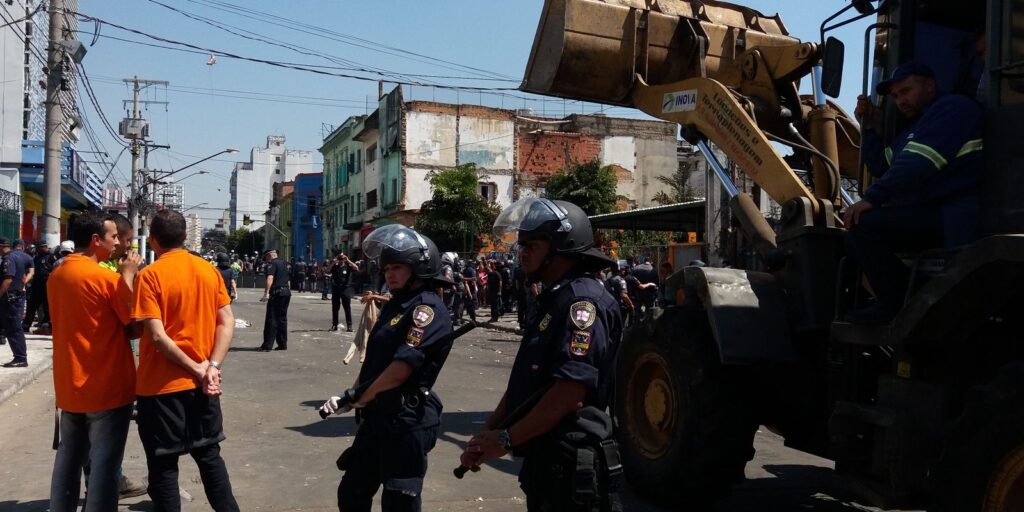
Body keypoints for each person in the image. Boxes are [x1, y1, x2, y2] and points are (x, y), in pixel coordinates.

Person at [462, 198, 622, 511]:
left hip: (571, 465)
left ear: (561, 248)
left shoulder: (582, 303)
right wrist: (485, 435)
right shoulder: (554, 299)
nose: (521, 254)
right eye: (521, 246)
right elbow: (526, 387)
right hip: (545, 462)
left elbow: (569, 394)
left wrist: (505, 440)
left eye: (531, 246)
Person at [319, 224, 454, 512]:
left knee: (398, 503)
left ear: (419, 267)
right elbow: (374, 363)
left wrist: (357, 397)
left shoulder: (425, 310)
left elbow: (400, 370)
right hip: (377, 417)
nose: (388, 274)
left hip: (406, 423)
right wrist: (352, 393)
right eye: (386, 268)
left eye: (397, 267)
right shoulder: (397, 305)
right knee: (352, 493)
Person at [845, 61, 984, 324]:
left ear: (929, 86)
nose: (900, 101)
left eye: (906, 91)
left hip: (952, 215)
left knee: (863, 226)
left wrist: (872, 198)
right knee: (851, 238)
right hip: (930, 214)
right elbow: (881, 164)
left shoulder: (953, 109)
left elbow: (918, 163)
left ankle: (900, 302)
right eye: (896, 96)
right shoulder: (913, 131)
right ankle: (911, 290)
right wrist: (869, 126)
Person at [132, 209, 240, 511]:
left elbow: (156, 336)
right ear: (183, 237)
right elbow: (226, 322)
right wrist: (211, 367)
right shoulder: (208, 271)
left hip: (161, 389)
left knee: (163, 465)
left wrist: (199, 368)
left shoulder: (149, 276)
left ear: (153, 241)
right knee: (209, 457)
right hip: (203, 386)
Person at [48, 212, 142, 511]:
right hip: (106, 386)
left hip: (69, 384)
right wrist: (128, 276)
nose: (117, 244)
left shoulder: (57, 274)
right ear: (95, 240)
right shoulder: (104, 278)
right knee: (104, 466)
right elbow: (134, 324)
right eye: (114, 237)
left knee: (68, 458)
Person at [0, 237, 33, 367]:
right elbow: (25, 276)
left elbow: (7, 280)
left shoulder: (8, 259)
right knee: (14, 328)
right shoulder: (20, 257)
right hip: (16, 297)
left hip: (10, 299)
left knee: (13, 329)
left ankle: (20, 358)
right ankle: (20, 356)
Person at [260, 248, 291, 351]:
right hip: (286, 292)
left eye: (267, 257)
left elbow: (270, 278)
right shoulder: (285, 263)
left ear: (270, 256)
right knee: (282, 319)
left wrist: (266, 293)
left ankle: (267, 345)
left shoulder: (272, 264)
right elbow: (288, 279)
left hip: (277, 293)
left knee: (271, 318)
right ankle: (282, 344)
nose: (267, 260)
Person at [24, 240, 56, 334]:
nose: (45, 248)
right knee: (31, 306)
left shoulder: (51, 257)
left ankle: (46, 325)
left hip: (46, 285)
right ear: (38, 248)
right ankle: (26, 325)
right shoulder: (35, 258)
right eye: (43, 246)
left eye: (46, 246)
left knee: (47, 307)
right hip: (36, 285)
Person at [328, 251, 359, 332]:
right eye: (340, 259)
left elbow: (356, 268)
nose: (341, 260)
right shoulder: (335, 266)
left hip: (345, 289)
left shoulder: (348, 266)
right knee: (335, 308)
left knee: (347, 308)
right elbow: (328, 270)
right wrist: (333, 262)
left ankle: (349, 326)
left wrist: (348, 260)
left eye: (342, 259)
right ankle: (334, 325)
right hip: (336, 289)